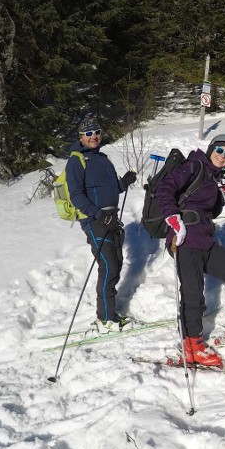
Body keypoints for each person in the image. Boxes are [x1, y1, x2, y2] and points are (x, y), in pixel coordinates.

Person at [155, 133, 225, 368]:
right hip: (184, 238)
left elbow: (214, 211)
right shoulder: (194, 165)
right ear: (210, 149)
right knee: (193, 292)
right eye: (219, 150)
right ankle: (192, 344)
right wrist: (173, 217)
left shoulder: (213, 177)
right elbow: (165, 188)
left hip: (204, 240)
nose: (223, 156)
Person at [65, 115, 137, 332]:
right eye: (88, 133)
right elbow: (76, 196)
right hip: (94, 220)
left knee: (116, 263)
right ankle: (105, 318)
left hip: (111, 218)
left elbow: (114, 189)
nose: (93, 136)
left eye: (96, 132)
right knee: (108, 265)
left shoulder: (103, 158)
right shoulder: (76, 161)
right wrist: (99, 215)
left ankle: (110, 313)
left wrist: (125, 181)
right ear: (81, 137)